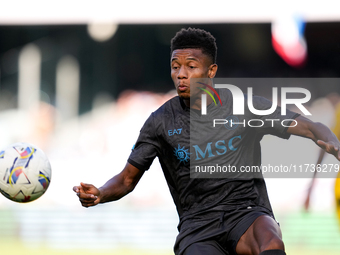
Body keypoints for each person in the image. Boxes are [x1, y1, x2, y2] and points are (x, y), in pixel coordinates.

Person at [73, 28, 340, 255]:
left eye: (191, 66)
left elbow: (309, 126)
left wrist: (330, 141)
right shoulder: (159, 122)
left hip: (246, 212)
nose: (181, 74)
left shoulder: (244, 108)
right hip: (198, 226)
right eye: (175, 67)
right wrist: (100, 193)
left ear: (211, 70)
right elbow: (126, 180)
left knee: (270, 240)